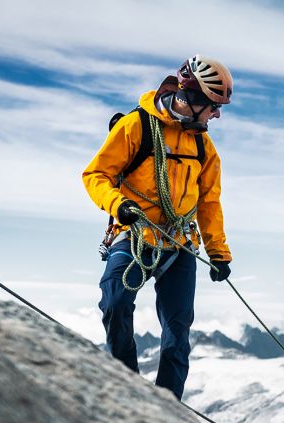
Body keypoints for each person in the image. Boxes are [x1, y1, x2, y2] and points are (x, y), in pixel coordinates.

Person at [83, 55, 234, 400]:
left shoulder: (203, 146)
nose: (217, 114)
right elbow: (96, 175)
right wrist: (118, 205)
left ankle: (169, 405)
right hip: (134, 234)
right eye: (214, 105)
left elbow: (209, 203)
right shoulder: (136, 126)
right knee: (115, 304)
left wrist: (219, 253)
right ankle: (127, 387)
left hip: (178, 243)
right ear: (194, 99)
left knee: (178, 331)